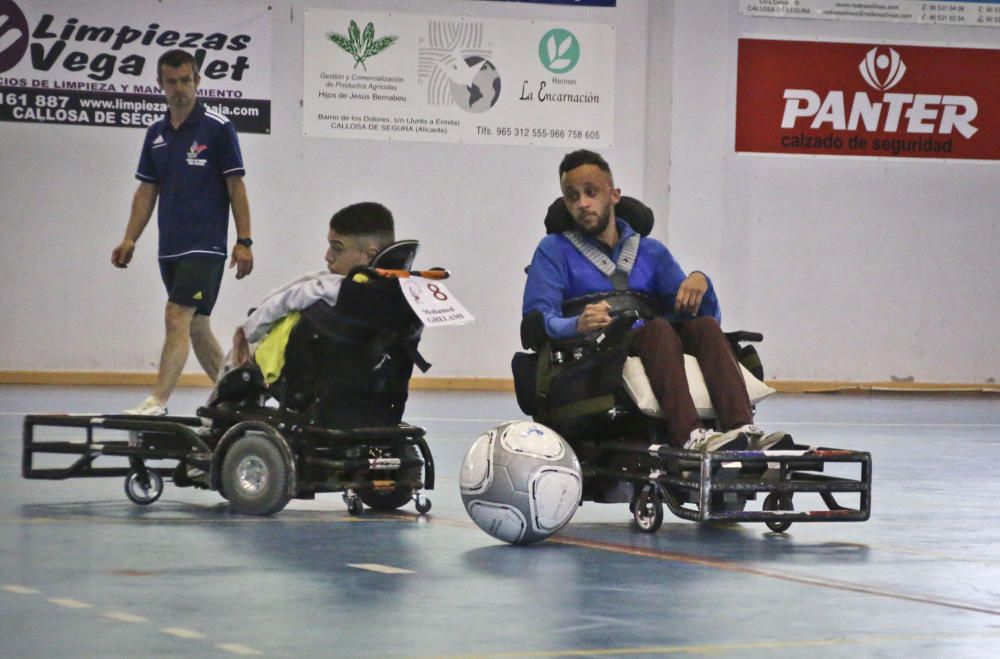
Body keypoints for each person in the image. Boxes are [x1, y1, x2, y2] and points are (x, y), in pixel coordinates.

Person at [523, 150, 789, 452]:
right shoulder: (553, 250)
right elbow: (537, 321)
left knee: (702, 327)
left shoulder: (652, 252)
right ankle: (690, 435)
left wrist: (702, 283)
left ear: (614, 195)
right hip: (597, 352)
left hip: (651, 339)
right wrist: (577, 323)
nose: (582, 203)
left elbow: (704, 315)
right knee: (659, 329)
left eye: (591, 192)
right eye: (572, 197)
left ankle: (742, 429)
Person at [111, 49, 253, 416]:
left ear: (197, 81)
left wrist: (244, 240)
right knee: (198, 326)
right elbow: (147, 190)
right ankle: (236, 396)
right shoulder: (156, 134)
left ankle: (157, 400)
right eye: (171, 81)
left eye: (186, 80)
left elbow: (236, 186)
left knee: (176, 315)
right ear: (160, 84)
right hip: (170, 248)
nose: (179, 88)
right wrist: (130, 238)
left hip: (205, 246)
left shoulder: (218, 128)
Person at [228, 202, 395, 369]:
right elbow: (312, 281)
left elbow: (300, 293)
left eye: (337, 248)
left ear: (368, 255)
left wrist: (247, 331)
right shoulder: (394, 287)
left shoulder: (346, 288)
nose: (327, 256)